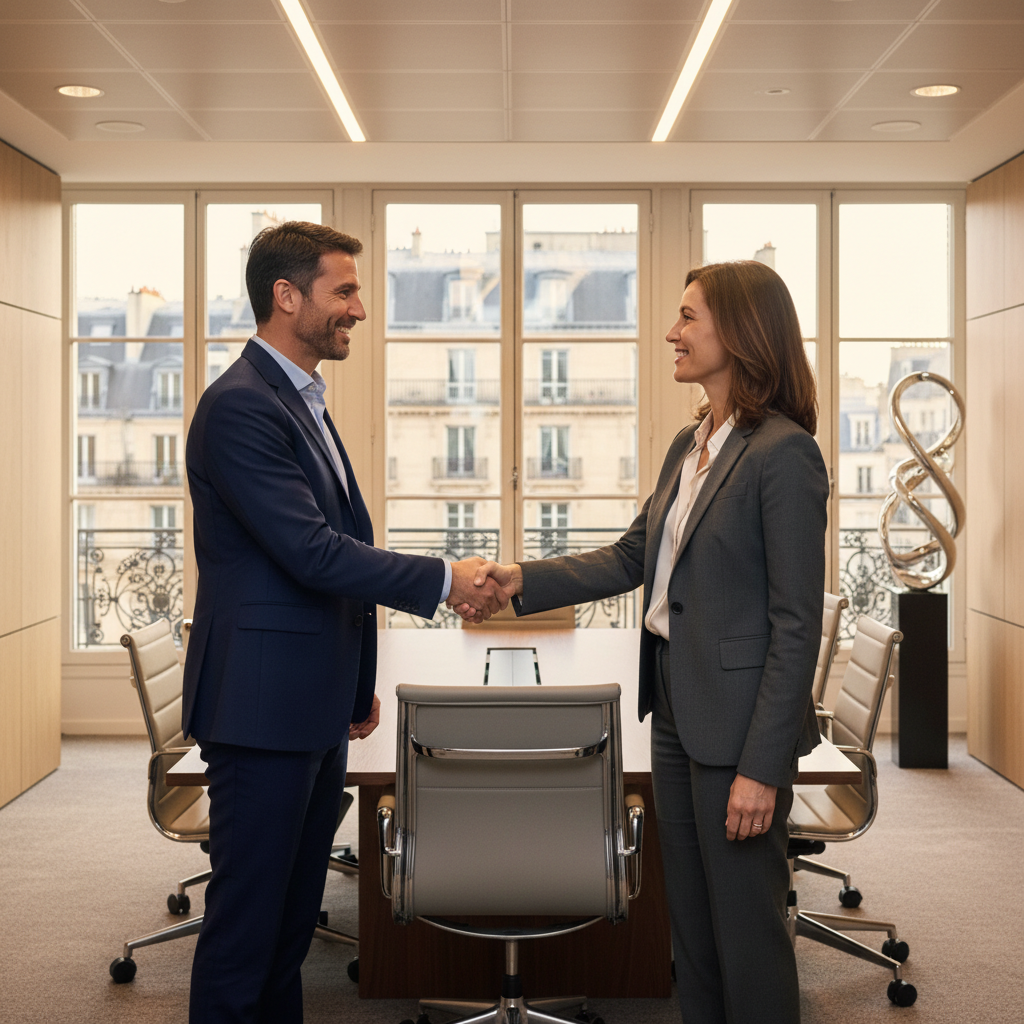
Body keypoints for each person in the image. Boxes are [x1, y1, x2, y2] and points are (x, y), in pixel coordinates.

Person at [462, 261, 828, 1024]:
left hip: (738, 731)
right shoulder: (689, 444)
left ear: (742, 330)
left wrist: (763, 768)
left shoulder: (783, 454)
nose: (672, 331)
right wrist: (518, 579)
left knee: (748, 931)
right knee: (690, 928)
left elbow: (797, 625)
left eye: (689, 316)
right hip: (675, 711)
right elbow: (632, 558)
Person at [183, 221, 508, 1023]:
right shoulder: (240, 407)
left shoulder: (302, 400)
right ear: (285, 296)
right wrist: (444, 578)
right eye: (344, 290)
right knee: (245, 930)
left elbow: (338, 549)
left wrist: (354, 686)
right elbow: (313, 553)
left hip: (311, 705)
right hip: (262, 710)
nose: (359, 309)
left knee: (290, 927)